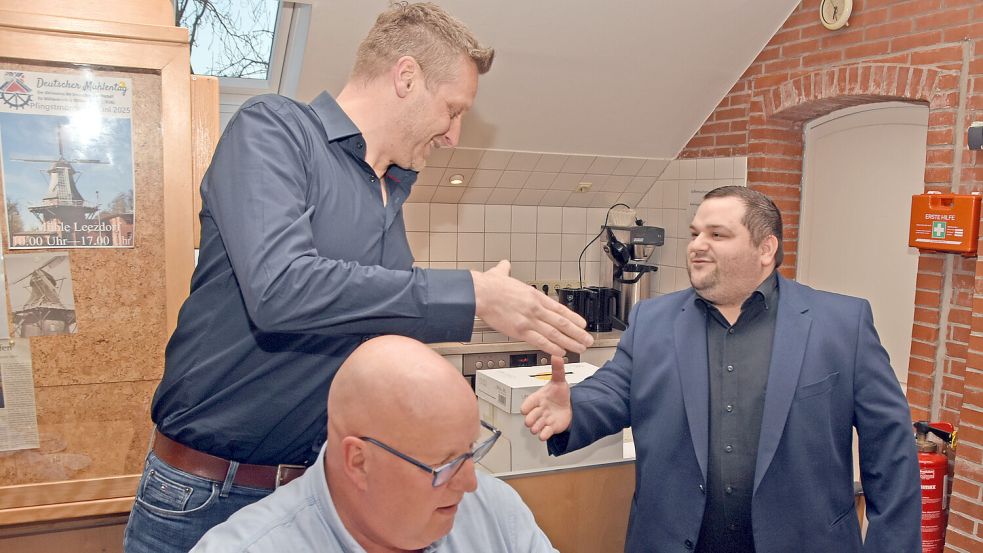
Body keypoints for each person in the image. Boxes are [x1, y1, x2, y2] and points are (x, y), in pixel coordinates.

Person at [124, 3, 591, 552]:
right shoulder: (274, 129)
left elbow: (374, 344)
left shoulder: (388, 192)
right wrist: (471, 294)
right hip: (204, 495)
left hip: (321, 501)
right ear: (406, 76)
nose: (453, 136)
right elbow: (281, 290)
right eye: (452, 110)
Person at [521, 185, 921, 553]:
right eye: (695, 233)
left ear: (766, 249)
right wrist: (574, 409)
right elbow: (614, 389)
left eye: (717, 234)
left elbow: (891, 454)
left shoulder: (842, 326)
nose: (697, 245)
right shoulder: (652, 321)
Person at [189, 335, 558, 553]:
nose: (470, 483)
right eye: (445, 465)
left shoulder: (496, 513)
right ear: (359, 462)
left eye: (471, 450)